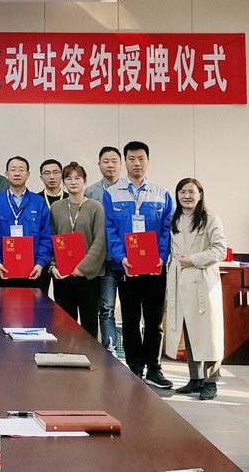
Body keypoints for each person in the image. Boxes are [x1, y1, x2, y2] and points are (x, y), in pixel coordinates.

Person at [104, 141, 175, 388]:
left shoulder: (161, 193)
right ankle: (134, 367)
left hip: (155, 268)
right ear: (125, 161)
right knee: (131, 320)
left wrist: (161, 257)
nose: (137, 163)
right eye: (132, 159)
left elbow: (167, 229)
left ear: (148, 161)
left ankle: (154, 368)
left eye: (141, 158)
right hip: (127, 268)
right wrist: (121, 257)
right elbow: (110, 229)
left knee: (154, 321)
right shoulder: (112, 194)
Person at [164, 178, 227, 400]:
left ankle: (211, 382)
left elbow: (220, 250)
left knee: (208, 333)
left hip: (202, 282)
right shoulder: (174, 219)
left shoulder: (211, 219)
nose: (187, 196)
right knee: (190, 331)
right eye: (182, 192)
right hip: (180, 282)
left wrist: (193, 259)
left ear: (200, 195)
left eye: (192, 192)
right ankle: (196, 379)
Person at [48, 162, 106, 337]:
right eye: (68, 178)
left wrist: (82, 268)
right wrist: (53, 266)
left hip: (88, 276)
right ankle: (65, 354)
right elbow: (51, 238)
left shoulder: (96, 207)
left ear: (85, 180)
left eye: (77, 178)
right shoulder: (57, 207)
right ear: (63, 182)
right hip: (63, 275)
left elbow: (100, 241)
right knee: (64, 325)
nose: (73, 182)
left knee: (89, 324)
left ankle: (90, 355)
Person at [0, 156, 52, 289]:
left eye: (21, 170)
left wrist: (40, 263)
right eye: (13, 169)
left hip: (33, 271)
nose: (17, 173)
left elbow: (46, 236)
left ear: (28, 174)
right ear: (6, 174)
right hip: (2, 270)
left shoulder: (39, 202)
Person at [86, 145, 123, 354]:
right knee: (106, 308)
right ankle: (110, 351)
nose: (110, 165)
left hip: (127, 261)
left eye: (114, 161)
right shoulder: (90, 193)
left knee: (132, 309)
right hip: (104, 260)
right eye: (105, 161)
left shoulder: (129, 192)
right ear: (99, 164)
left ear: (121, 164)